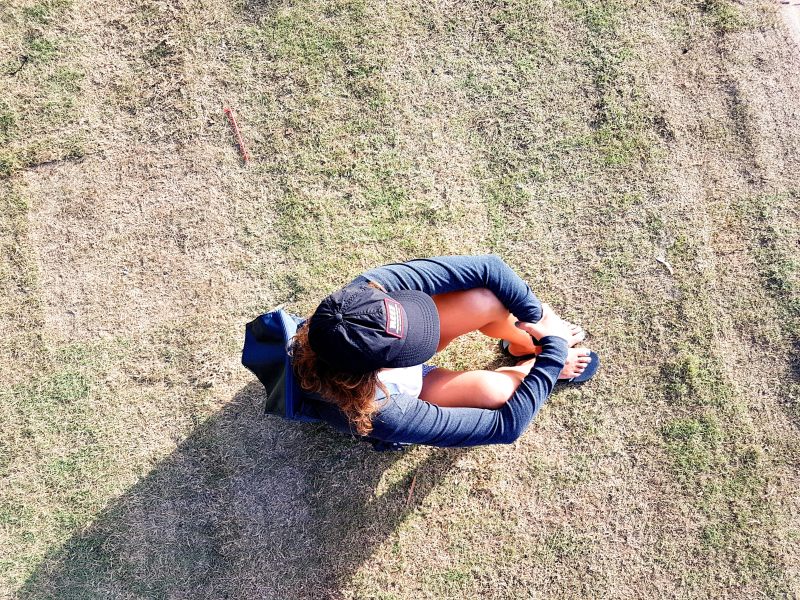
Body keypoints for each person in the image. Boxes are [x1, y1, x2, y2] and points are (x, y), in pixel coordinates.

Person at [290, 255, 599, 448]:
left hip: (377, 371)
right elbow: (505, 426)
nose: (423, 330)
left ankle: (525, 341)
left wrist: (542, 321)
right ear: (382, 368)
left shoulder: (364, 295)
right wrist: (553, 354)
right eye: (413, 344)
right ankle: (531, 365)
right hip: (406, 391)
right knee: (495, 393)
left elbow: (488, 268)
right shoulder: (384, 413)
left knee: (484, 300)